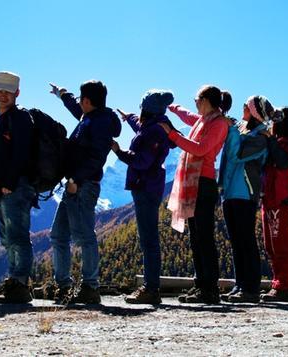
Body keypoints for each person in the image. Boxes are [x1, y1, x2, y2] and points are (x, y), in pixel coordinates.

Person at [48, 80, 122, 304]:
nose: (79, 103)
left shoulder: (99, 123)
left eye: (81, 99)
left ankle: (90, 287)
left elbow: (97, 156)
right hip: (74, 186)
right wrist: (62, 95)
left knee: (84, 237)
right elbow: (76, 107)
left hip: (82, 185)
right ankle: (63, 285)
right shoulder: (90, 117)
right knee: (59, 235)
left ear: (87, 101)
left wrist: (76, 179)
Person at [158, 85, 232, 304]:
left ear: (206, 100)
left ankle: (210, 289)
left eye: (197, 99)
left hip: (204, 183)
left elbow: (200, 149)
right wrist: (173, 108)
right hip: (195, 184)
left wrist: (172, 134)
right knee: (196, 237)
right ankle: (201, 285)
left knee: (204, 237)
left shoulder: (218, 124)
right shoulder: (204, 120)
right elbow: (188, 115)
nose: (195, 104)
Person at [110, 90, 175, 305]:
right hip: (147, 187)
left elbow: (142, 161)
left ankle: (151, 288)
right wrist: (128, 117)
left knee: (148, 239)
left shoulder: (155, 131)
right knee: (148, 238)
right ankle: (150, 286)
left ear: (146, 108)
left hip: (146, 187)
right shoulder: (155, 126)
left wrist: (119, 152)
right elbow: (140, 126)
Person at [0, 71, 36, 304]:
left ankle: (20, 284)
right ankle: (14, 282)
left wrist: (9, 181)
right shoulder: (2, 121)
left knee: (17, 236)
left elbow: (22, 153)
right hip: (1, 188)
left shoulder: (20, 118)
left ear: (17, 93)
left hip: (15, 187)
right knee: (7, 237)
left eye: (8, 91)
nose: (3, 95)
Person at [217, 96, 270, 303]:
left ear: (254, 112)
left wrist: (231, 130)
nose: (242, 109)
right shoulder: (245, 131)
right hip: (231, 192)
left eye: (246, 107)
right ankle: (240, 285)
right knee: (237, 242)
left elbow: (236, 154)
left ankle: (251, 288)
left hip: (245, 192)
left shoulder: (261, 138)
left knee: (246, 241)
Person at [259, 106, 288, 302]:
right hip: (270, 198)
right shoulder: (279, 143)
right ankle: (278, 282)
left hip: (283, 199)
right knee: (271, 244)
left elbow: (284, 163)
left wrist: (270, 140)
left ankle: (284, 286)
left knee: (281, 243)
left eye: (276, 119)